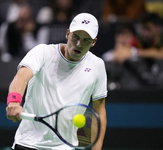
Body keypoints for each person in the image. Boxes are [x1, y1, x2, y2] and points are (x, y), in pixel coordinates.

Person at [6, 13, 107, 150]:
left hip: (65, 147)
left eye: (86, 40)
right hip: (28, 144)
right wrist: (14, 100)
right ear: (67, 34)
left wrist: (97, 148)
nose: (78, 44)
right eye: (75, 37)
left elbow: (99, 111)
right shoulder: (43, 52)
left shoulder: (97, 65)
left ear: (93, 42)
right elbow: (21, 76)